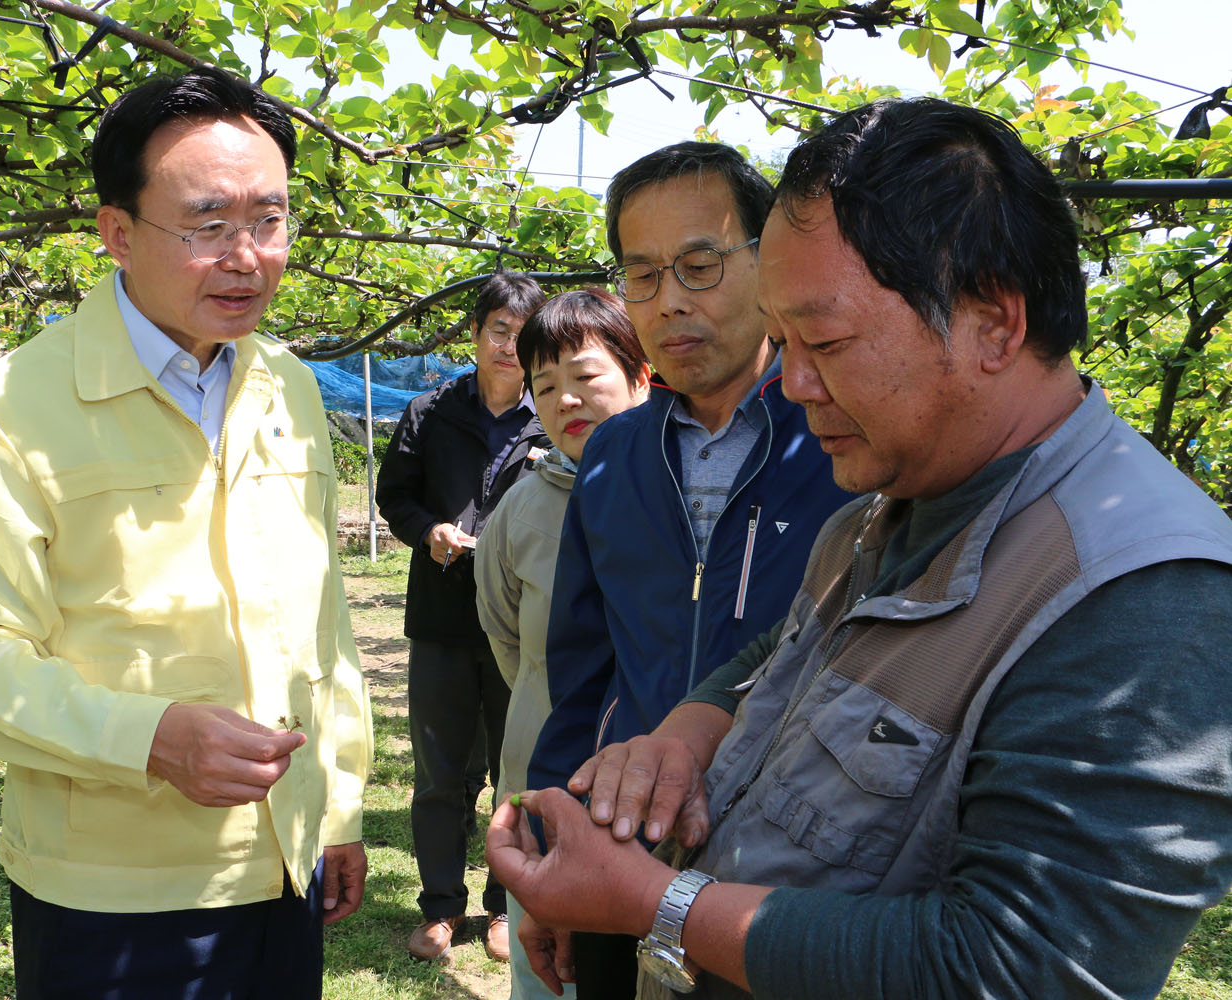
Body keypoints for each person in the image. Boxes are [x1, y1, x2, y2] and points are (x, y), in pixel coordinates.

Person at [490, 97, 1232, 1000]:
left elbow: (1025, 970)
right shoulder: (884, 510)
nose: (794, 382)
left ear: (996, 323)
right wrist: (686, 735)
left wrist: (662, 904)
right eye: (786, 338)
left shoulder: (1146, 597)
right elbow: (784, 654)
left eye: (827, 342)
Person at [0, 67, 372, 1000]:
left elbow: (321, 625)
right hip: (110, 893)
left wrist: (338, 805)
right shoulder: (5, 411)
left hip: (284, 862)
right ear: (117, 233)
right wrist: (152, 738)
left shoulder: (286, 385)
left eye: (271, 220)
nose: (247, 256)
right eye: (207, 225)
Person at [524, 143, 853, 994]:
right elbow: (583, 667)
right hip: (617, 833)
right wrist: (547, 832)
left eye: (700, 265)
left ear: (767, 261)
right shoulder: (614, 452)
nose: (670, 301)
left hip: (789, 850)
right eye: (642, 276)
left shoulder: (844, 435)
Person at [475, 288, 652, 999]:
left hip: (657, 782)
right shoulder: (520, 507)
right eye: (545, 386)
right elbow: (505, 635)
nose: (566, 400)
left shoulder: (684, 495)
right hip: (543, 764)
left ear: (642, 377)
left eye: (586, 376)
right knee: (545, 964)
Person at [376, 270, 550, 962]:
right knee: (443, 773)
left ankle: (505, 906)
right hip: (444, 620)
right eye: (498, 331)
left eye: (521, 334)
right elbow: (397, 495)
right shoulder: (431, 411)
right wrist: (430, 532)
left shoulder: (552, 415)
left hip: (522, 624)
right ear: (476, 335)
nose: (509, 346)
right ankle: (442, 907)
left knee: (519, 774)